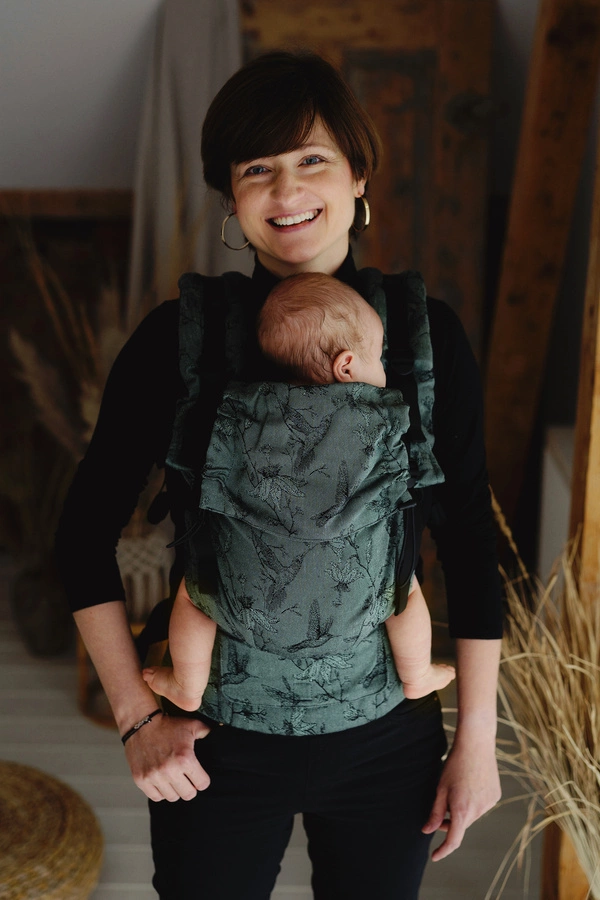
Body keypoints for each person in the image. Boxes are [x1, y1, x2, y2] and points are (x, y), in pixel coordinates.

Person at [55, 50, 503, 900]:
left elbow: (472, 540)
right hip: (212, 744)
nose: (286, 189)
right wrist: (136, 716)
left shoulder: (424, 337)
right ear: (232, 198)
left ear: (359, 175)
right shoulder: (176, 339)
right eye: (256, 168)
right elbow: (81, 537)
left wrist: (476, 742)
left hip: (387, 742)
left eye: (311, 159)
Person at [142, 272, 455, 715]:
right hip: (363, 607)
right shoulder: (384, 420)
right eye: (377, 356)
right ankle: (418, 673)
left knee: (194, 597)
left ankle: (187, 685)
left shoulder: (238, 415)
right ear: (347, 366)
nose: (383, 369)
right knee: (406, 590)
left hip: (243, 608)